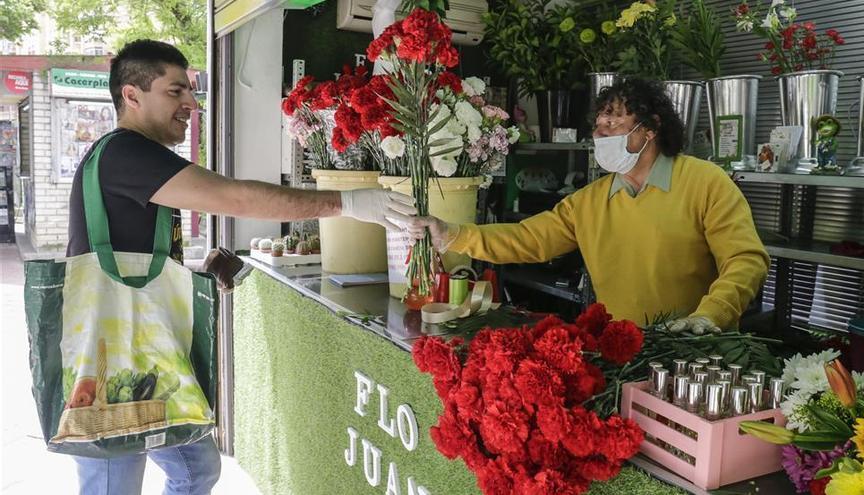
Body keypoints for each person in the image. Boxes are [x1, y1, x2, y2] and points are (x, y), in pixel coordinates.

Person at [66, 39, 416, 495]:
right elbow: (235, 197)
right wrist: (347, 201)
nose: (191, 103)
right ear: (131, 96)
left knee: (196, 469)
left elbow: (131, 256)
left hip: (147, 352)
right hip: (109, 360)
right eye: (175, 92)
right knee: (113, 484)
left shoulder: (130, 157)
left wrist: (198, 270)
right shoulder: (124, 153)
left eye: (189, 91)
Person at [408, 78, 770, 334]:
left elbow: (745, 260)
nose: (602, 133)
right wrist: (453, 234)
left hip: (698, 354)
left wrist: (710, 316)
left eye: (614, 122)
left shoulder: (705, 182)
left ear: (651, 128)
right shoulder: (590, 201)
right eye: (598, 126)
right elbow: (526, 239)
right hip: (624, 351)